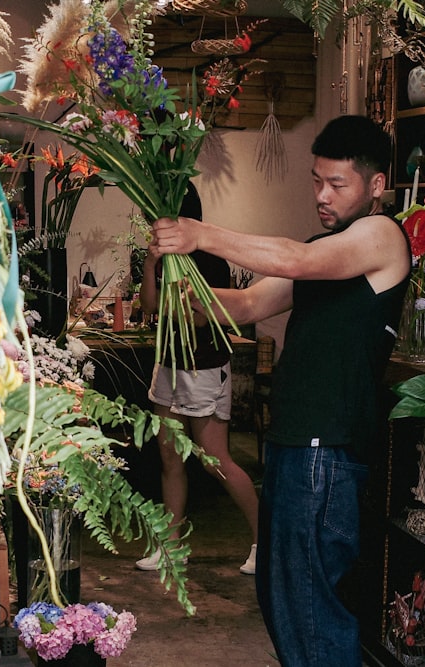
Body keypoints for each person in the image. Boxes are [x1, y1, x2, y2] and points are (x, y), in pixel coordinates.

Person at [150, 115, 411, 666]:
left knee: (312, 611)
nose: (322, 195)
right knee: (284, 597)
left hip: (327, 451)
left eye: (337, 185)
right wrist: (179, 279)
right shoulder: (330, 247)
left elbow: (299, 259)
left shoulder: (380, 236)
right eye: (316, 180)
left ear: (377, 185)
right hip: (295, 447)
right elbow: (245, 306)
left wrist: (200, 233)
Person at [136, 181, 260, 575]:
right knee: (170, 457)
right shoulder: (163, 256)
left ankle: (264, 540)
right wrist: (152, 264)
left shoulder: (208, 258)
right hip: (169, 364)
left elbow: (204, 318)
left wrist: (188, 297)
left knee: (214, 461)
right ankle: (171, 545)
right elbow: (151, 307)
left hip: (204, 365)